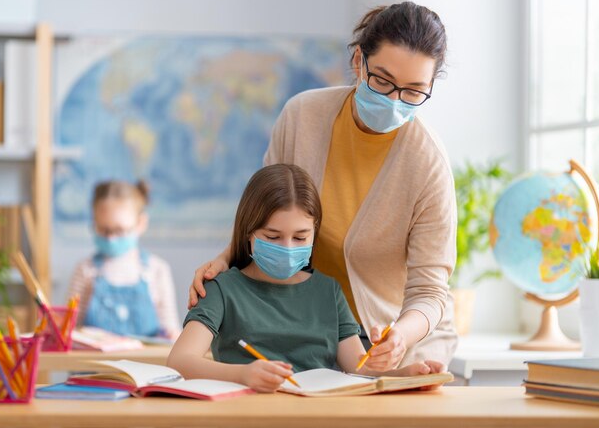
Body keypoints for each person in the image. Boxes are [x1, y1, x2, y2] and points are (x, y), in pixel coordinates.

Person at [189, 1, 458, 370]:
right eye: (382, 80)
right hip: (305, 326)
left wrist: (400, 336)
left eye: (413, 91)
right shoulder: (303, 116)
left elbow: (430, 290)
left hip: (384, 338)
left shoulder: (428, 163)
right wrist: (224, 260)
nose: (394, 100)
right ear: (358, 62)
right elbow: (265, 211)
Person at [168, 164, 444, 392]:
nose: (288, 248)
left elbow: (359, 369)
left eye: (300, 237)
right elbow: (180, 361)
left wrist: (407, 376)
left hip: (318, 417)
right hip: (248, 416)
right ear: (248, 233)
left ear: (314, 233)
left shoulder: (328, 291)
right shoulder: (222, 289)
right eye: (272, 237)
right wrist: (242, 375)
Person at [68, 180, 180, 339]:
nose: (111, 238)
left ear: (141, 223)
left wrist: (171, 334)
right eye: (103, 230)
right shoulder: (85, 270)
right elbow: (70, 328)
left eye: (119, 230)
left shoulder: (157, 270)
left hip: (145, 363)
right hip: (94, 363)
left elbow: (171, 329)